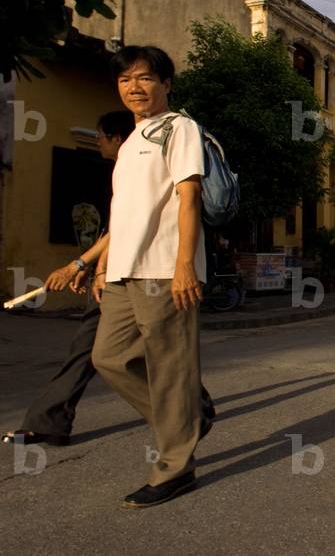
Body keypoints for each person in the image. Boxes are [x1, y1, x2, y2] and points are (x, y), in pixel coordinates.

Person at [2, 113, 215, 447]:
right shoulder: (124, 167)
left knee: (144, 350)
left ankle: (188, 416)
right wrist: (88, 266)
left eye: (101, 137)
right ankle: (50, 419)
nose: (98, 143)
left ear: (118, 138)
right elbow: (118, 229)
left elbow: (130, 228)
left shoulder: (152, 159)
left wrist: (88, 266)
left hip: (143, 273)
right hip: (117, 273)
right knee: (99, 350)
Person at [90, 46, 211, 508]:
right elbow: (123, 213)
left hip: (162, 267)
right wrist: (104, 264)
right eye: (125, 80)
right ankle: (188, 414)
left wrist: (184, 265)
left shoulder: (179, 128)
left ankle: (175, 468)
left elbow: (189, 197)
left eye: (144, 78)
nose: (134, 88)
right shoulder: (131, 141)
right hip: (124, 269)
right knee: (108, 357)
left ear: (166, 84)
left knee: (170, 369)